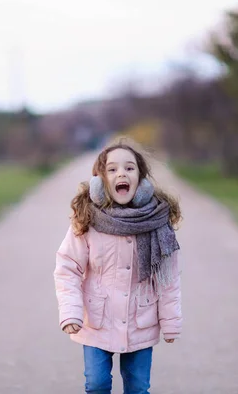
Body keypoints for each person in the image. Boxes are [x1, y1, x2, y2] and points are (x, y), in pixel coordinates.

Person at [53, 139, 183, 394]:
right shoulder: (88, 220)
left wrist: (171, 321)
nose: (121, 173)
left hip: (139, 322)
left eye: (129, 168)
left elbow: (168, 278)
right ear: (100, 180)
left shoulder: (157, 222)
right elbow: (67, 268)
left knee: (137, 387)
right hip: (97, 321)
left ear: (142, 179)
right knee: (97, 384)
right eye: (112, 169)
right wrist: (71, 312)